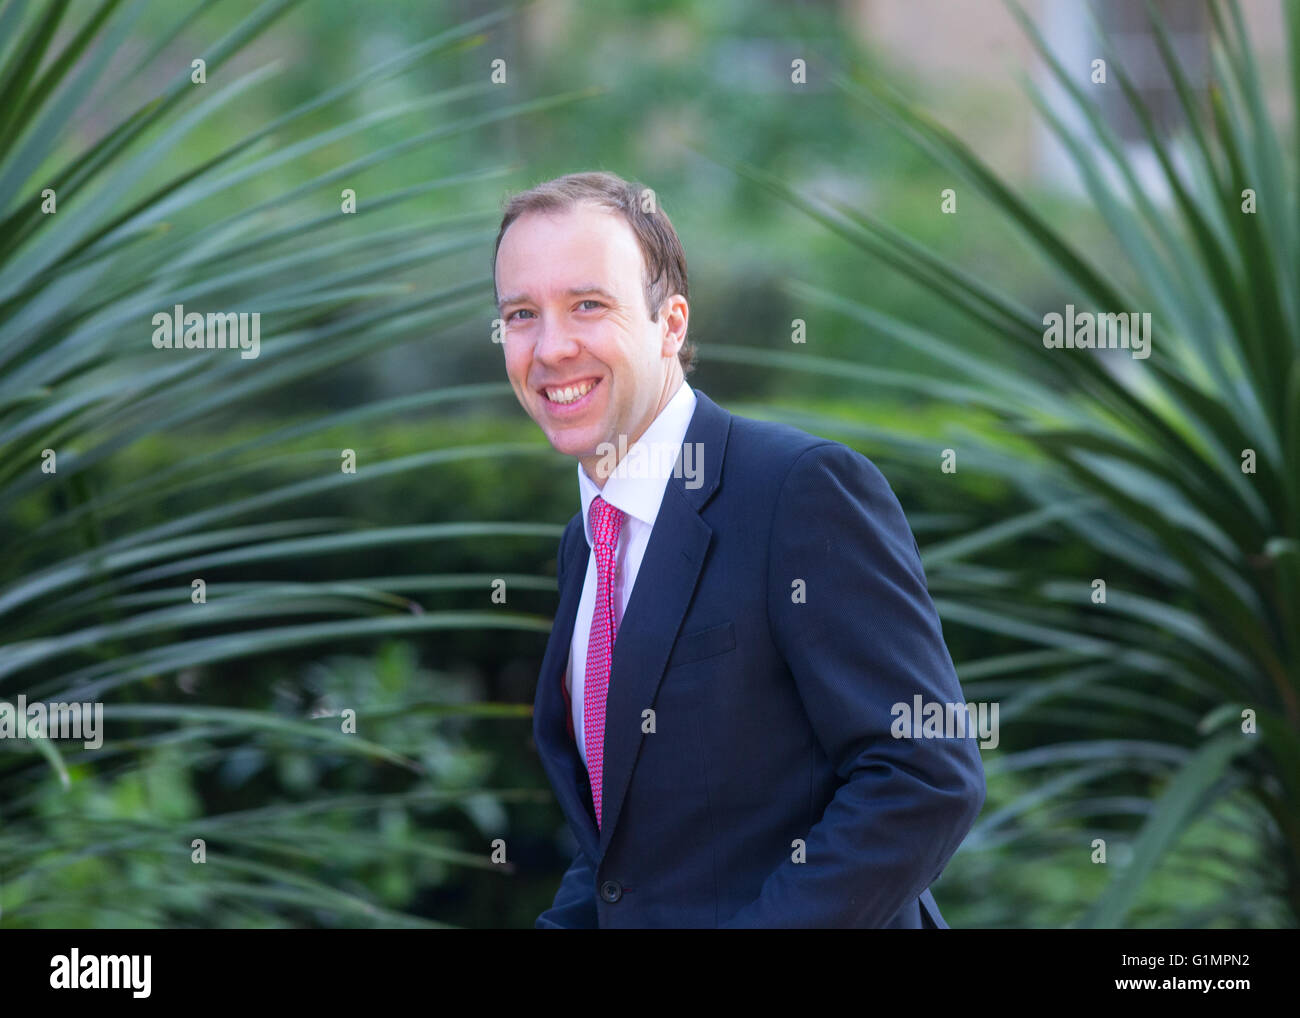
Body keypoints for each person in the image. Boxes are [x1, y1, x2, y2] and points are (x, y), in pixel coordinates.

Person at [493, 170, 985, 928]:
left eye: (587, 304)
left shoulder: (798, 490)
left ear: (672, 324)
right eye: (522, 314)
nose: (552, 347)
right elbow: (621, 861)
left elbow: (924, 774)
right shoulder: (587, 544)